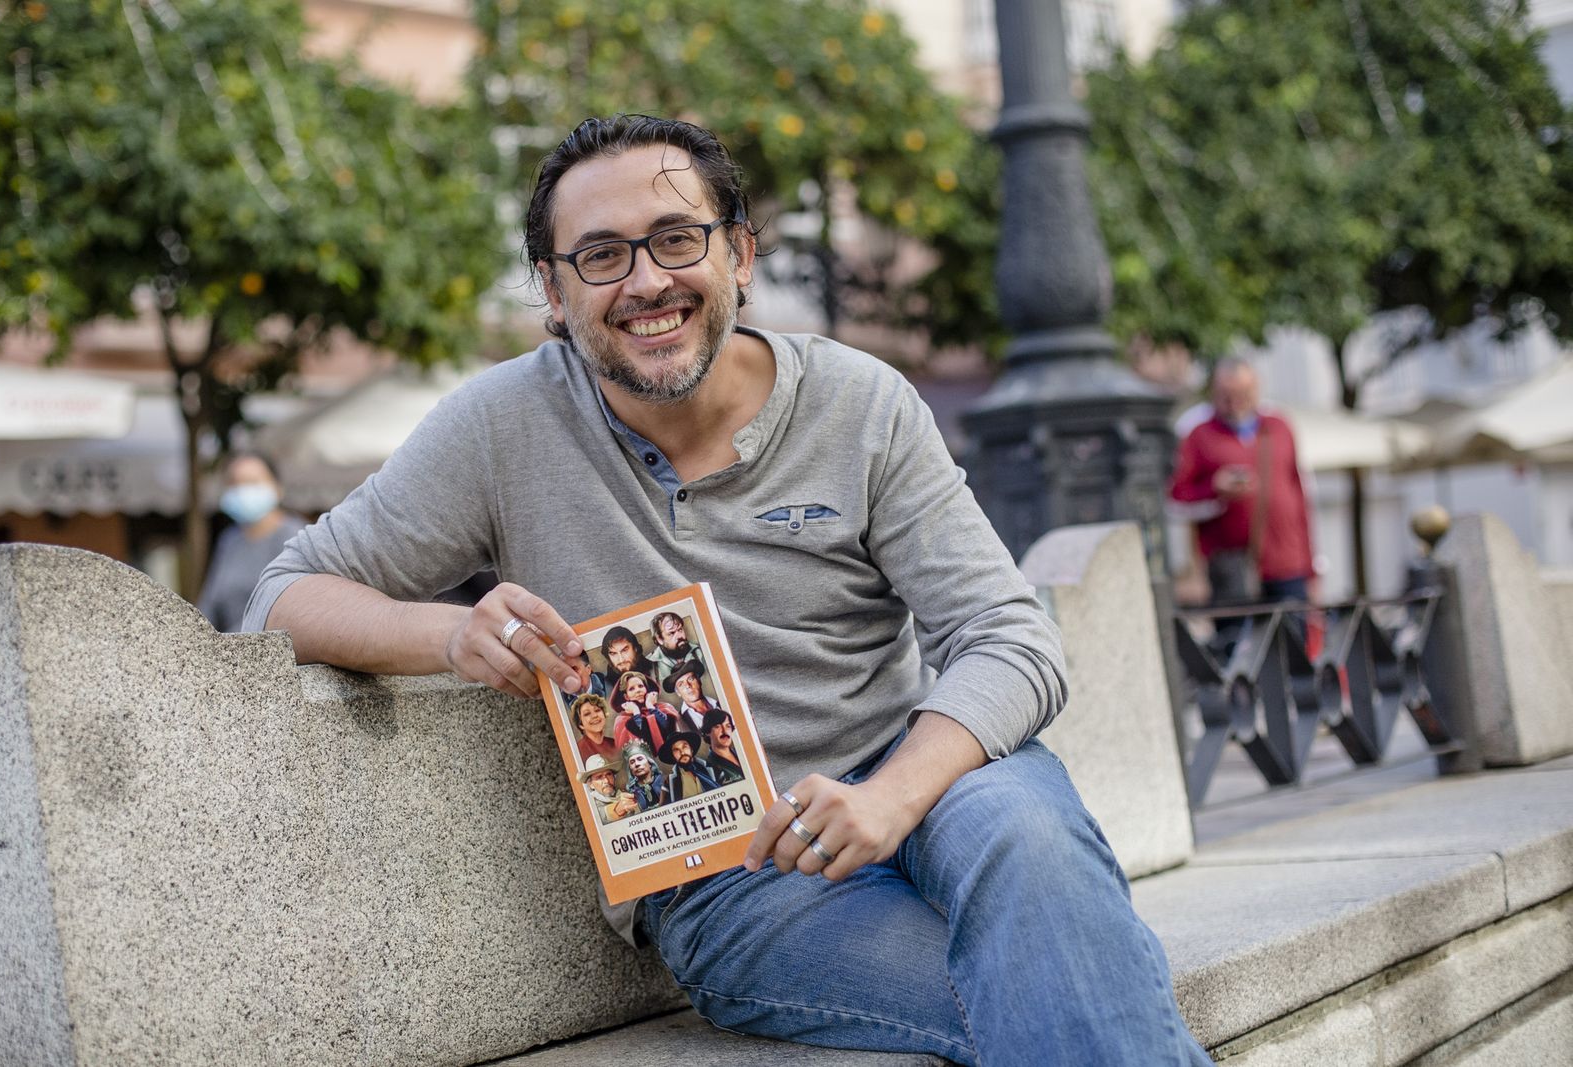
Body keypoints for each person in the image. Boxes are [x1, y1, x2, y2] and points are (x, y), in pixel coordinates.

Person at [245, 115, 1210, 1065]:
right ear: (552, 288)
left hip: (941, 782)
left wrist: (892, 798)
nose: (646, 282)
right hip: (738, 880)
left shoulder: (862, 402)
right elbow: (281, 594)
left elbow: (1012, 636)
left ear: (740, 254)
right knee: (1064, 984)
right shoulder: (499, 428)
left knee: (1026, 839)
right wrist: (449, 635)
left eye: (676, 240)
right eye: (601, 257)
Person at [1168, 358, 1315, 607]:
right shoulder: (1198, 434)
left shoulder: (1279, 427)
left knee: (1292, 640)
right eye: (1226, 395)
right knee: (1240, 642)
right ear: (1214, 393)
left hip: (1287, 562)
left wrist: (1311, 564)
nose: (1235, 402)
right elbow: (1176, 499)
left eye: (1243, 393)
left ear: (1256, 389)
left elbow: (1300, 495)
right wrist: (1215, 491)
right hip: (1232, 566)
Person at [197, 452, 305, 633]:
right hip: (223, 649)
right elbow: (210, 603)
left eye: (252, 482)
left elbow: (296, 607)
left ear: (277, 488)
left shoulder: (295, 537)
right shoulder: (229, 541)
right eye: (235, 483)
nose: (242, 490)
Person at [611, 669, 679, 754]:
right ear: (626, 696)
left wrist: (651, 707)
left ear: (646, 689)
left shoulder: (665, 707)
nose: (638, 690)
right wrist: (636, 712)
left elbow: (670, 728)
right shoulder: (622, 720)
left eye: (641, 686)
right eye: (632, 689)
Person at [658, 727, 718, 802]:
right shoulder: (669, 782)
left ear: (691, 750)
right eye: (676, 750)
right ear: (673, 756)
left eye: (684, 747)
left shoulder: (712, 769)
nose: (682, 753)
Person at [663, 659, 720, 733]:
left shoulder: (722, 703)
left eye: (690, 679)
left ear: (699, 681)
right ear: (678, 693)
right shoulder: (679, 722)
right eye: (681, 684)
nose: (688, 686)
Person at [580, 755, 638, 824]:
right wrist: (617, 810)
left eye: (608, 774)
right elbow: (599, 815)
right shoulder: (590, 805)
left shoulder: (624, 794)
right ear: (591, 784)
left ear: (614, 777)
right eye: (599, 777)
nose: (606, 781)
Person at [646, 611, 703, 682]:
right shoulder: (649, 664)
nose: (680, 636)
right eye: (672, 633)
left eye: (680, 629)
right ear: (659, 639)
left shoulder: (700, 652)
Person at [699, 709, 744, 787]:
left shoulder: (744, 754)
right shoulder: (710, 769)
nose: (724, 731)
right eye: (717, 726)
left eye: (728, 726)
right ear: (707, 732)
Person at [570, 693, 618, 765]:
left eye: (597, 710)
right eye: (587, 714)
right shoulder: (578, 751)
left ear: (604, 715)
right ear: (581, 724)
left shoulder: (614, 744)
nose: (594, 716)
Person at [622, 740, 667, 812]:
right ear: (630, 769)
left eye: (640, 759)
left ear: (650, 763)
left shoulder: (666, 782)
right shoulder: (630, 793)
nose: (636, 764)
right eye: (632, 762)